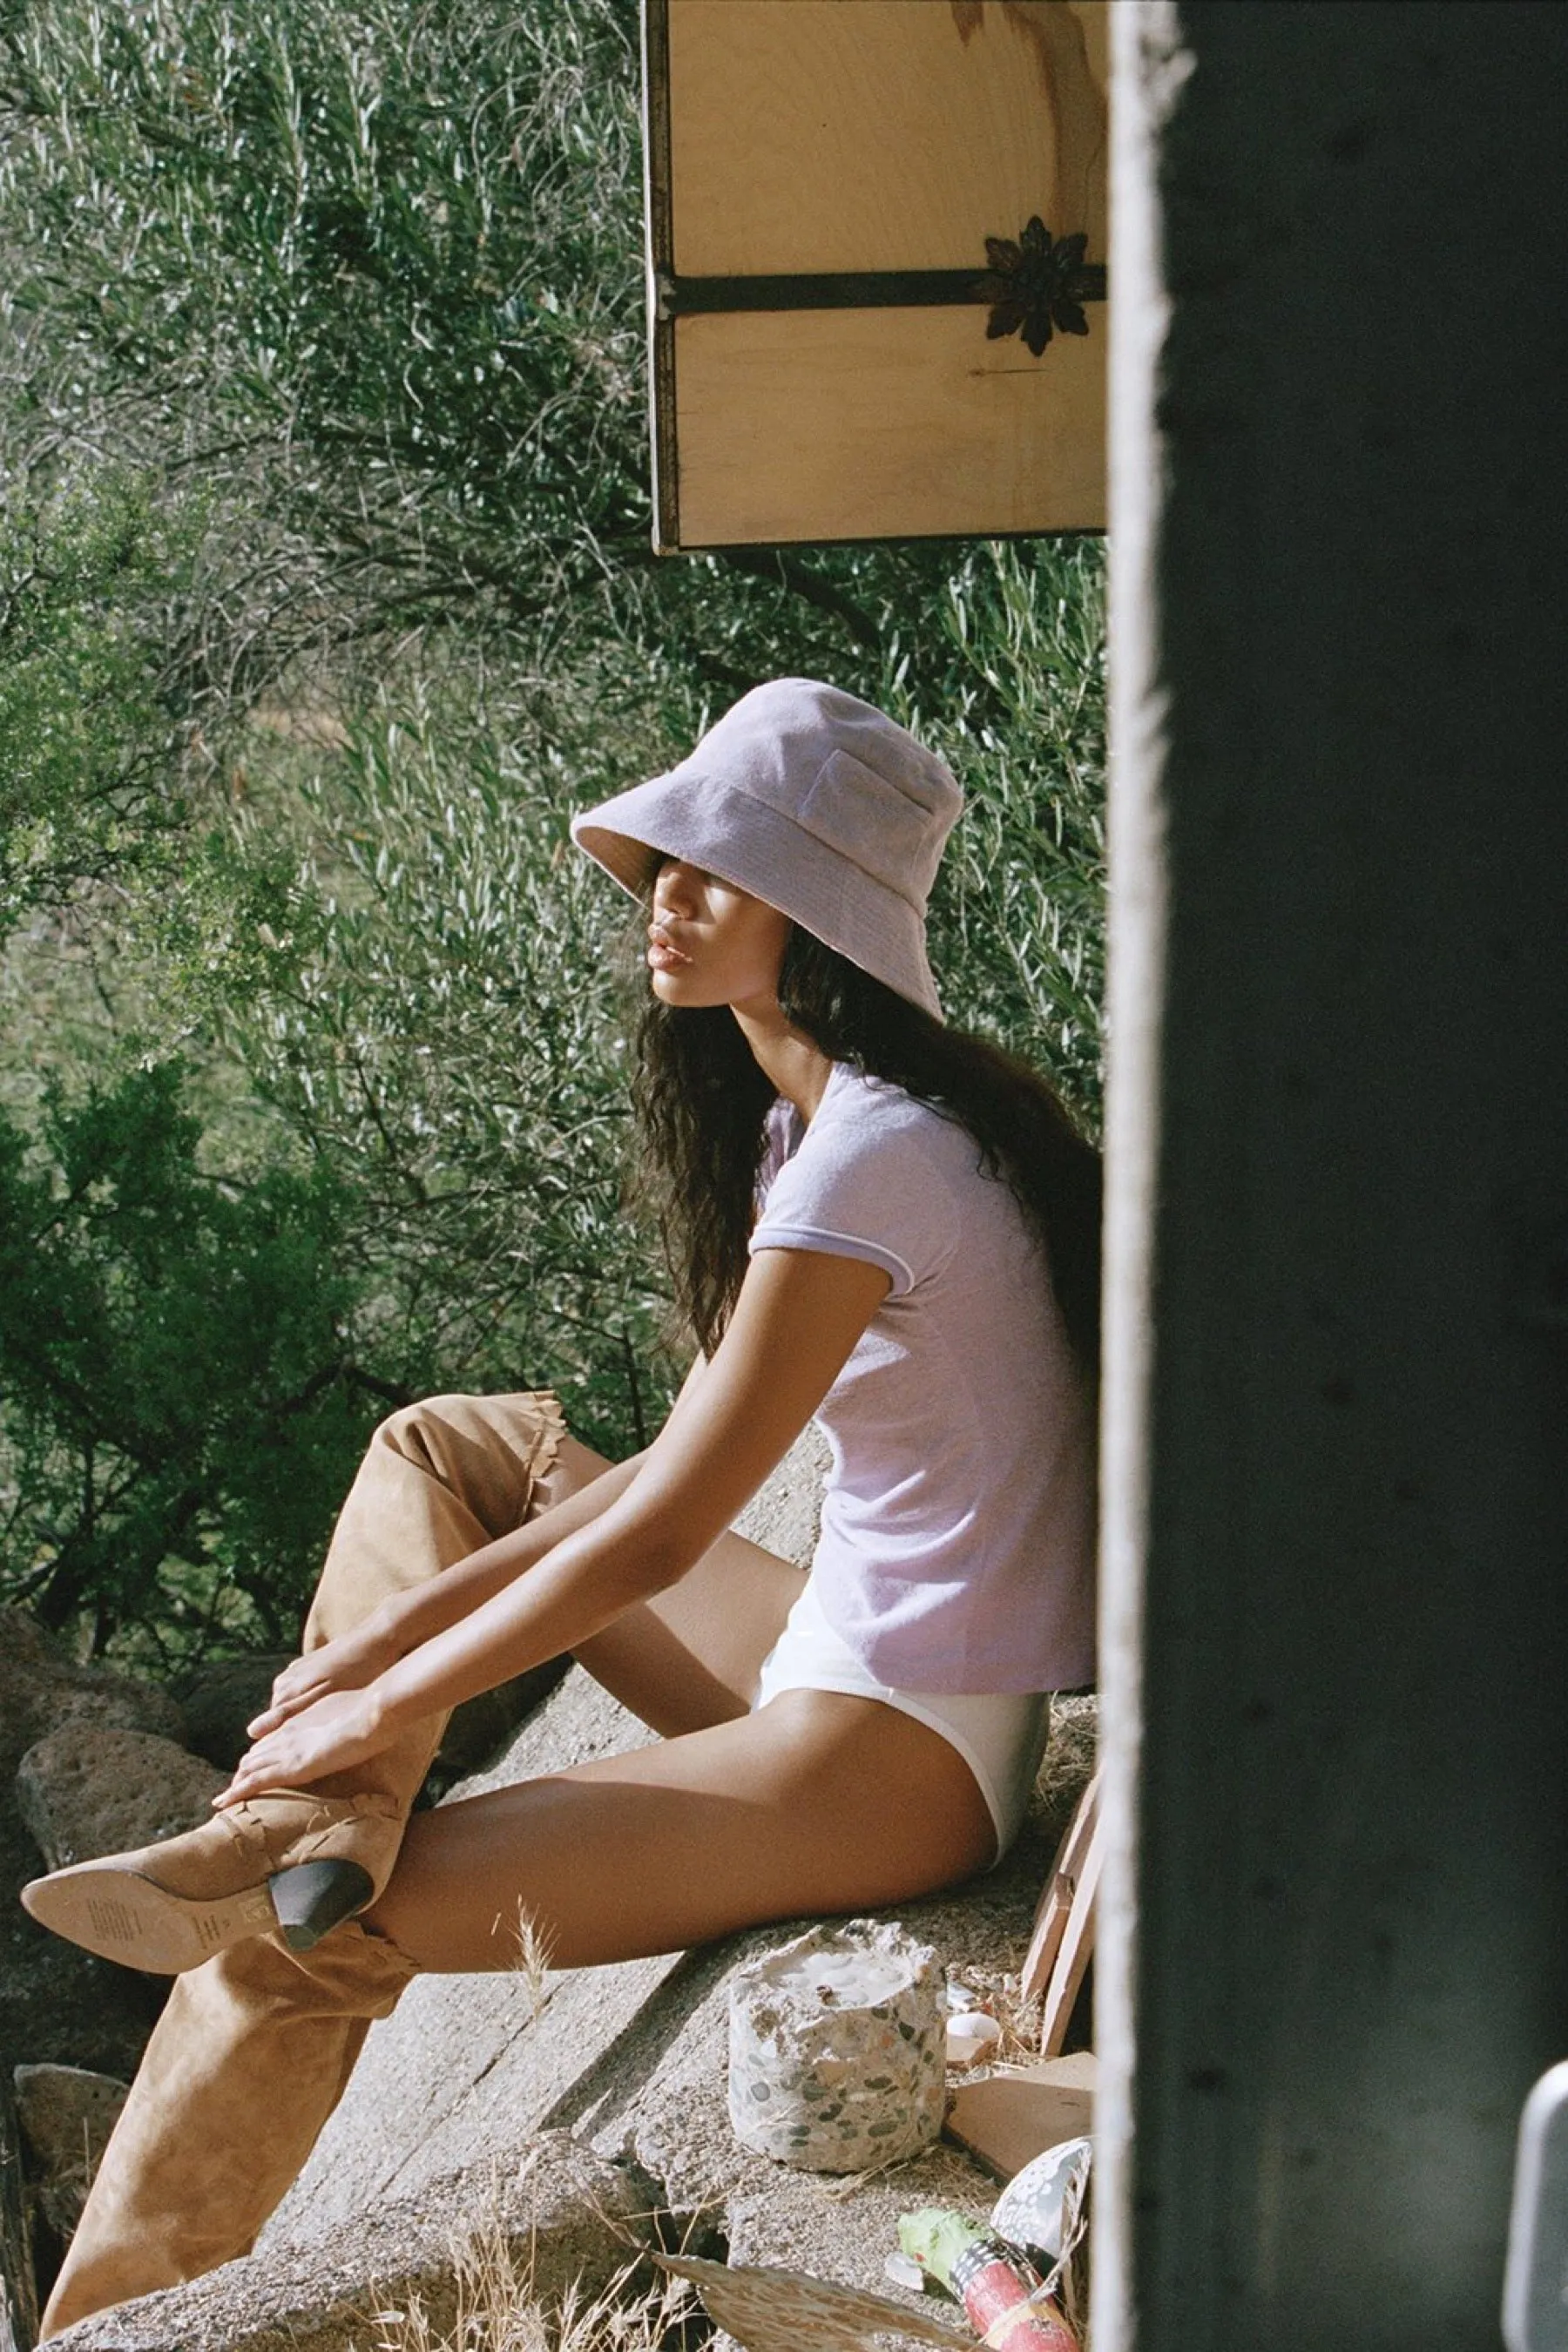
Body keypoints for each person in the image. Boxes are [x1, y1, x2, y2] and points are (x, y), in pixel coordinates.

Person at [21, 678, 1100, 2335]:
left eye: (715, 868)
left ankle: (111, 2319)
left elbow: (663, 1533)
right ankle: (313, 1817)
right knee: (457, 1445)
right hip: (829, 1650)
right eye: (664, 855)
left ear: (816, 914)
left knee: (299, 1934)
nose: (666, 895)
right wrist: (382, 1656)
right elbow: (649, 1485)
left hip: (896, 1760)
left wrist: (394, 1683)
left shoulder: (872, 1161)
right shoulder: (809, 1130)